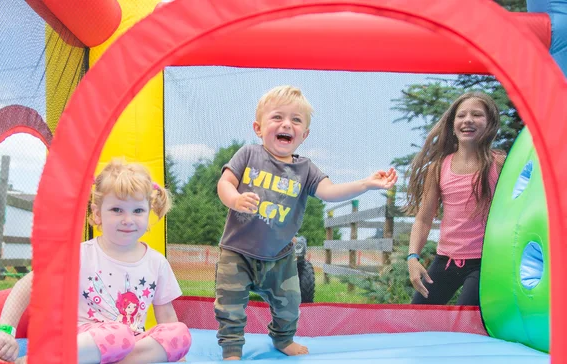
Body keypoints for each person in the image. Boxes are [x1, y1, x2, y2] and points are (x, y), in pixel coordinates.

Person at [214, 85, 398, 360]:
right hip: (237, 251)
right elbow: (225, 182)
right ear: (258, 127)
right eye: (277, 117)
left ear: (304, 134)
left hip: (280, 256)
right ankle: (231, 349)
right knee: (230, 305)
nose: (286, 124)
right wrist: (235, 199)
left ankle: (282, 338)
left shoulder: (305, 169)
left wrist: (366, 184)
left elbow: (330, 192)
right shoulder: (248, 154)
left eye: (296, 120)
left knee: (289, 305)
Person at [0, 159, 191, 364]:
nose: (128, 219)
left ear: (148, 212)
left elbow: (166, 316)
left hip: (130, 347)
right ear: (97, 213)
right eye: (117, 210)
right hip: (81, 343)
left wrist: (177, 354)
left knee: (180, 333)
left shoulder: (156, 262)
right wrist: (6, 330)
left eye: (137, 211)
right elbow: (28, 285)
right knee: (119, 335)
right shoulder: (80, 255)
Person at [404, 92, 506, 306]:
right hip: (446, 260)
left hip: (484, 262)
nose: (468, 119)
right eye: (461, 115)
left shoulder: (498, 164)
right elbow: (423, 219)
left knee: (466, 319)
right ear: (453, 125)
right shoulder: (439, 168)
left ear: (490, 124)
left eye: (477, 115)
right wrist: (413, 257)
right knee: (415, 316)